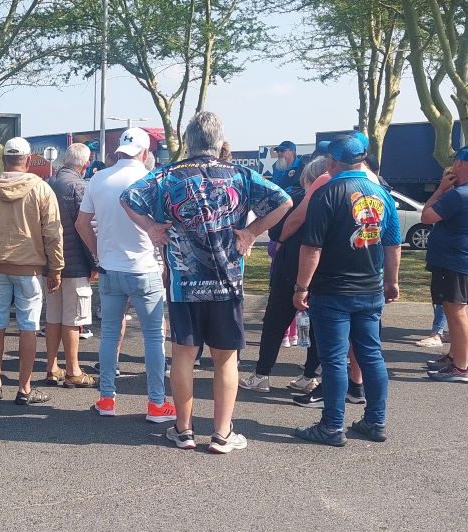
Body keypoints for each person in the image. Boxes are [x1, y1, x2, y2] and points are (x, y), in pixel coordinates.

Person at [123, 112, 292, 453]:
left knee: (183, 354)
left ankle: (183, 430)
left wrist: (151, 229)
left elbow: (129, 197)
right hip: (226, 281)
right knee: (225, 358)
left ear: (188, 141)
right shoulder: (241, 174)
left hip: (184, 282)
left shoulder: (167, 175)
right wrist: (251, 233)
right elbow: (284, 201)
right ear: (219, 141)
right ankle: (222, 433)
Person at [292, 132, 401, 446]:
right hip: (370, 289)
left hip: (333, 291)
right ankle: (375, 421)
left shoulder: (326, 193)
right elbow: (393, 244)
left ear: (331, 161)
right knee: (371, 356)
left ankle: (331, 426)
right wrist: (391, 282)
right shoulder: (380, 192)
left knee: (335, 360)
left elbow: (311, 247)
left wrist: (301, 287)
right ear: (362, 158)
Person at [76, 128, 174, 421]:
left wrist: (98, 255)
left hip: (110, 269)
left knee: (108, 335)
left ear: (120, 150)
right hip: (146, 269)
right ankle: (156, 404)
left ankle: (106, 399)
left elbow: (82, 223)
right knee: (154, 337)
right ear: (145, 153)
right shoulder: (153, 181)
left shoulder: (99, 178)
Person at [0, 136, 63, 405]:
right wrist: (56, 268)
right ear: (28, 160)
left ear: (3, 159)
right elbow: (53, 233)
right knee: (28, 327)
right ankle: (24, 388)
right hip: (31, 270)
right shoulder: (42, 189)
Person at [239, 156, 329, 394]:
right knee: (318, 326)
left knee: (274, 323)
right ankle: (310, 375)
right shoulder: (334, 201)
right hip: (322, 272)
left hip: (290, 268)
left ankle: (262, 374)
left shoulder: (297, 199)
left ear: (308, 177)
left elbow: (276, 230)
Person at [421, 145, 468, 383]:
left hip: (456, 261)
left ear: (460, 163)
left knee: (456, 311)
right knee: (452, 309)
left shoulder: (459, 194)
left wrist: (440, 189)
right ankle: (454, 357)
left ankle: (461, 367)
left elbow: (426, 216)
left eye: (454, 162)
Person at [42, 143, 97, 388]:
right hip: (75, 263)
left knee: (53, 316)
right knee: (73, 318)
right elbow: (85, 227)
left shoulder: (49, 183)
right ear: (84, 164)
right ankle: (74, 369)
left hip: (50, 262)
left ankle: (52, 367)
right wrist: (95, 261)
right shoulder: (79, 186)